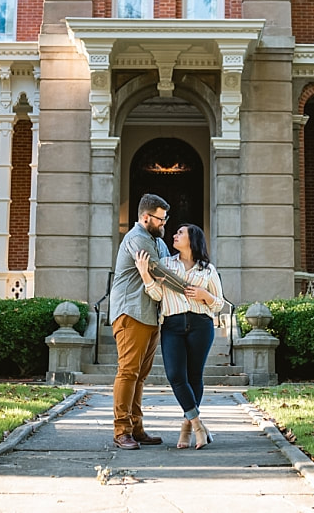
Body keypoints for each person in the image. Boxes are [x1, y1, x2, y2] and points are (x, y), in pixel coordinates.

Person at [134, 223, 224, 450]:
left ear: (192, 239)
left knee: (195, 377)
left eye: (180, 233)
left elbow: (220, 304)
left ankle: (186, 427)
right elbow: (157, 294)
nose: (175, 235)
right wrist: (145, 275)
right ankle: (197, 425)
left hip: (201, 325)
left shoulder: (208, 270)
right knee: (176, 375)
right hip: (172, 325)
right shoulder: (166, 265)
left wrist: (205, 295)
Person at [109, 193, 171, 450]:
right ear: (146, 218)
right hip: (131, 313)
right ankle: (121, 430)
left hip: (150, 315)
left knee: (140, 376)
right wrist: (190, 289)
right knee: (128, 372)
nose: (164, 224)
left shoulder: (157, 241)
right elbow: (159, 270)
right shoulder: (136, 238)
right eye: (161, 219)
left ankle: (136, 428)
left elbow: (170, 265)